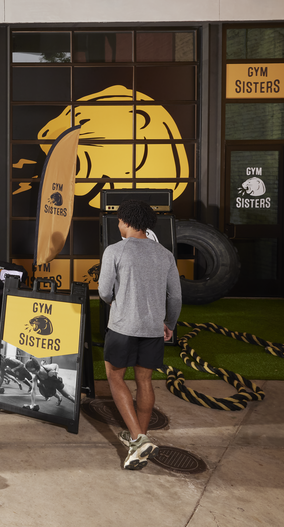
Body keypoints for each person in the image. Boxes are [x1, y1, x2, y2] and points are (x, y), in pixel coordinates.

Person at [98, 199, 182, 471]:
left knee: (114, 376)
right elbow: (176, 297)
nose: (119, 225)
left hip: (123, 327)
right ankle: (139, 443)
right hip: (152, 330)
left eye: (120, 221)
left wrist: (115, 302)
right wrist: (169, 322)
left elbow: (103, 291)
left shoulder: (115, 250)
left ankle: (137, 438)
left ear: (126, 222)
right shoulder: (165, 254)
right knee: (144, 381)